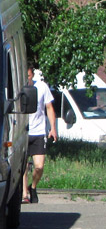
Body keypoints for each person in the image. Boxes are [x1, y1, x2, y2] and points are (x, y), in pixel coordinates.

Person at [22, 68, 57, 204]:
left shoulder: (42, 87)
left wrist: (52, 128)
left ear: (32, 75)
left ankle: (33, 187)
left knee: (39, 166)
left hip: (39, 132)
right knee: (23, 165)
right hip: (23, 132)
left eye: (29, 76)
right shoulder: (18, 88)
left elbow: (49, 108)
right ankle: (24, 194)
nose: (27, 79)